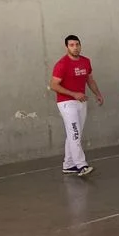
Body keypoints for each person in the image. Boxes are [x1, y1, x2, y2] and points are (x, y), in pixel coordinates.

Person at [49, 35, 103, 176]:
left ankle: (68, 165)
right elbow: (53, 85)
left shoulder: (86, 61)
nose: (75, 47)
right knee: (75, 133)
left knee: (74, 134)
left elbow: (90, 80)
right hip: (66, 103)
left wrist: (97, 94)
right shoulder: (62, 64)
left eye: (77, 44)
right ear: (66, 47)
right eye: (72, 45)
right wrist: (73, 94)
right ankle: (81, 165)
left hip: (81, 101)